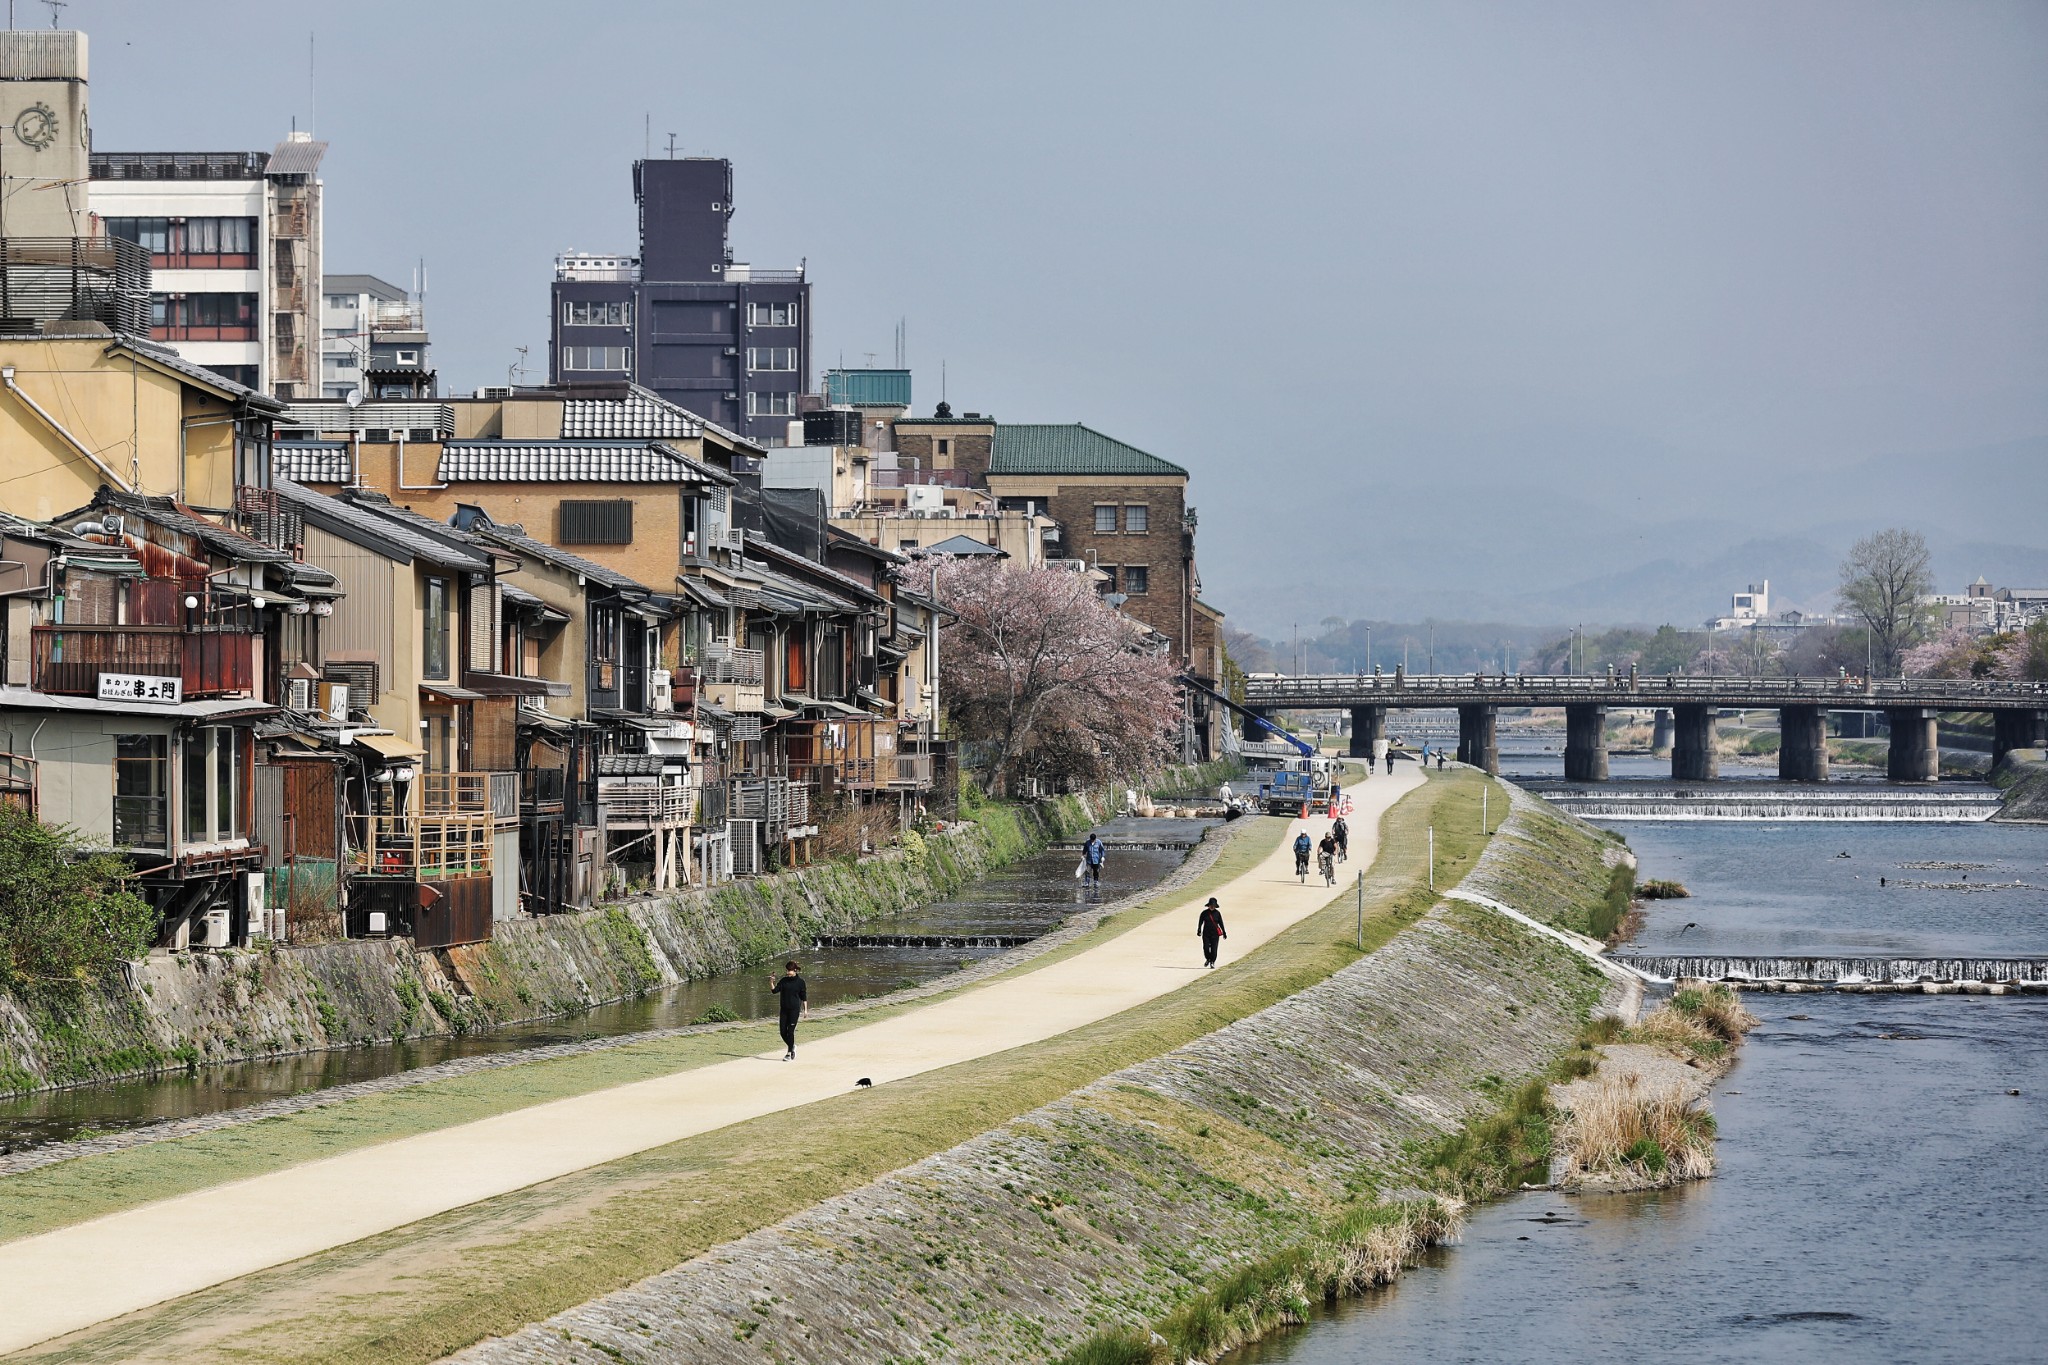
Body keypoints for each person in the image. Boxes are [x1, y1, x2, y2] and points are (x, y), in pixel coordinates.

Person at [769, 960, 807, 1061]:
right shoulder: (784, 981)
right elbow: (774, 991)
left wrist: (805, 1010)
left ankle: (789, 1053)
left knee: (790, 1032)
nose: (787, 972)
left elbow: (804, 997)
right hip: (784, 1010)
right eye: (787, 970)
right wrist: (771, 982)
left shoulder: (800, 982)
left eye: (789, 970)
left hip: (794, 1010)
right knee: (782, 1032)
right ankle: (792, 1046)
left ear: (794, 970)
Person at [1197, 897, 1227, 968]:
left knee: (1214, 949)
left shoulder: (1217, 913)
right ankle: (1208, 959)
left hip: (1215, 934)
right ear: (1208, 905)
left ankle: (1212, 961)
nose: (1212, 907)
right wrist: (1199, 930)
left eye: (1213, 906)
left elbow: (1221, 923)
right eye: (1211, 905)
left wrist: (1224, 932)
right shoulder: (1204, 913)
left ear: (1215, 906)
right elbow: (1200, 922)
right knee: (1206, 948)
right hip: (1206, 934)